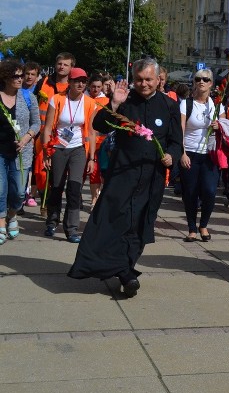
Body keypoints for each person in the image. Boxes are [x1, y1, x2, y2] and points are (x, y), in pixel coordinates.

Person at [68, 59, 182, 297]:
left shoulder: (169, 105)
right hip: (123, 173)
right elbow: (100, 125)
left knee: (141, 223)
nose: (143, 84)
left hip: (152, 176)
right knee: (117, 220)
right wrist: (115, 104)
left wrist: (172, 155)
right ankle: (124, 272)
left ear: (158, 79)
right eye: (139, 79)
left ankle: (126, 267)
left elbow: (176, 141)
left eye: (148, 79)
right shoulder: (125, 101)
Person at [41, 67, 98, 243]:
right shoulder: (57, 99)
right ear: (70, 83)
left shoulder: (90, 103)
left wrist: (91, 158)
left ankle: (72, 229)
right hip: (58, 148)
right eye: (76, 81)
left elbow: (91, 131)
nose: (80, 84)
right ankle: (52, 222)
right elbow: (48, 127)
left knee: (74, 189)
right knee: (57, 187)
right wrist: (46, 152)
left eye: (83, 81)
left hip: (78, 149)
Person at [178, 68, 223, 242]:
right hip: (190, 152)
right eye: (198, 79)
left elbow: (228, 128)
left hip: (210, 155)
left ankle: (203, 225)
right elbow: (179, 130)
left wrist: (220, 126)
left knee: (210, 191)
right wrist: (182, 153)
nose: (201, 82)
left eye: (205, 79)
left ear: (211, 83)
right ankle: (191, 228)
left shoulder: (217, 105)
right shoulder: (186, 104)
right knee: (190, 192)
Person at [0, 61, 40, 244]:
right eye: (15, 76)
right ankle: (1, 222)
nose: (20, 79)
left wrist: (26, 138)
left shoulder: (28, 97)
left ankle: (12, 214)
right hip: (0, 151)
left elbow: (36, 123)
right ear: (5, 77)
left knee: (18, 193)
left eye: (21, 75)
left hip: (21, 153)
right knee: (0, 190)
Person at [33, 52, 75, 211]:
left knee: (58, 172)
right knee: (42, 172)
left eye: (65, 64)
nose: (61, 67)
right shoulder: (43, 83)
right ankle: (45, 195)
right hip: (42, 134)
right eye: (59, 64)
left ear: (72, 67)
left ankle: (51, 203)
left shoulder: (74, 87)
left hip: (64, 137)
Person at [85, 73, 110, 210]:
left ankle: (101, 198)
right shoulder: (84, 99)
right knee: (93, 173)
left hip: (103, 143)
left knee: (104, 172)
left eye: (99, 87)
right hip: (87, 142)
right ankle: (94, 199)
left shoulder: (106, 101)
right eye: (93, 86)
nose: (96, 89)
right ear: (89, 86)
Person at [20, 61, 40, 208]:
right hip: (22, 133)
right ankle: (21, 194)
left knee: (34, 165)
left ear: (37, 76)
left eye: (33, 74)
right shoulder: (17, 88)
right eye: (27, 73)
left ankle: (30, 193)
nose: (29, 77)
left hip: (37, 130)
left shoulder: (38, 91)